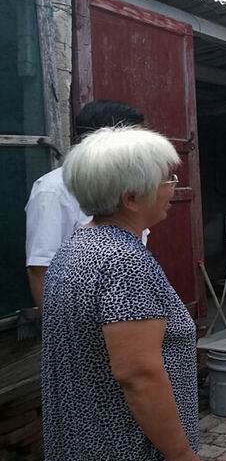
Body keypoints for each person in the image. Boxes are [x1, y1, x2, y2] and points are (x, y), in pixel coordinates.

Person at [41, 127, 202, 461]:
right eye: (167, 180)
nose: (174, 189)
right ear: (131, 198)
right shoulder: (123, 262)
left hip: (87, 440)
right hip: (126, 449)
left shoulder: (76, 246)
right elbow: (138, 373)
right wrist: (180, 455)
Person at [25, 99, 145, 311]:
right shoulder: (54, 189)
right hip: (82, 316)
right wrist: (58, 326)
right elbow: (41, 269)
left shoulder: (125, 187)